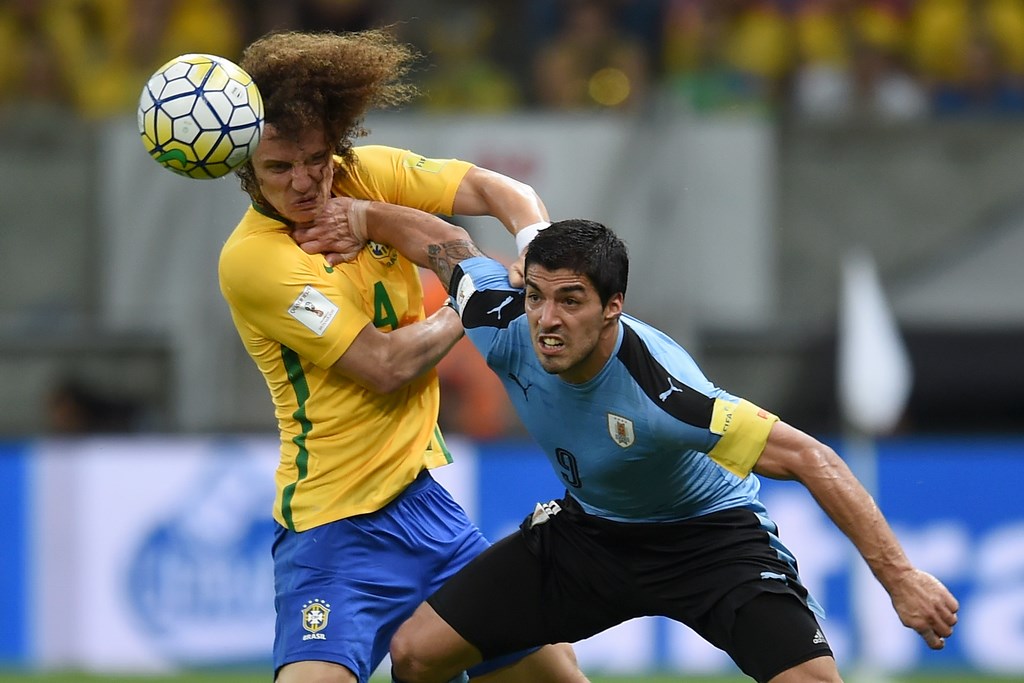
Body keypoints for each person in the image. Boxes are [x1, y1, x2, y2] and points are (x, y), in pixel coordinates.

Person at [293, 215, 959, 683]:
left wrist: (900, 578)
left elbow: (813, 459)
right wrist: (362, 214)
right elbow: (446, 242)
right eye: (538, 297)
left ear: (614, 306)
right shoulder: (502, 323)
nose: (548, 320)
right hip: (591, 535)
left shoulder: (666, 392)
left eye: (572, 301)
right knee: (416, 654)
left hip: (710, 542)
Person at [217, 29, 585, 683]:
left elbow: (501, 190)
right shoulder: (254, 261)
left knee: (558, 676)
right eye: (279, 168)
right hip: (332, 529)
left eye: (314, 158)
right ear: (248, 170)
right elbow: (386, 363)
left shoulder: (364, 176)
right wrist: (479, 296)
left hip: (426, 509)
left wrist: (533, 244)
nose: (304, 181)